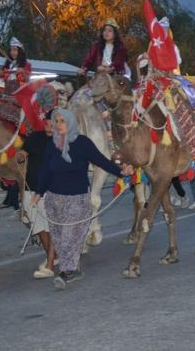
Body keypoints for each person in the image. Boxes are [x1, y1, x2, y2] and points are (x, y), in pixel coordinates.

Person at [31, 109, 134, 289]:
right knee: (59, 237)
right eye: (56, 121)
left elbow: (102, 161)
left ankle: (67, 272)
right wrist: (38, 192)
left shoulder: (83, 143)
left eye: (62, 121)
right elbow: (45, 171)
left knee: (71, 235)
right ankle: (73, 267)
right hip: (53, 200)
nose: (58, 124)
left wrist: (121, 172)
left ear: (70, 123)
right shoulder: (52, 145)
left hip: (77, 199)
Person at [18, 111, 56, 279]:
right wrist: (18, 156)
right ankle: (52, 256)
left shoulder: (62, 141)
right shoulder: (34, 137)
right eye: (47, 124)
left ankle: (50, 261)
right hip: (30, 189)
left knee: (52, 226)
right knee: (38, 225)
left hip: (51, 190)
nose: (49, 128)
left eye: (52, 125)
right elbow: (23, 154)